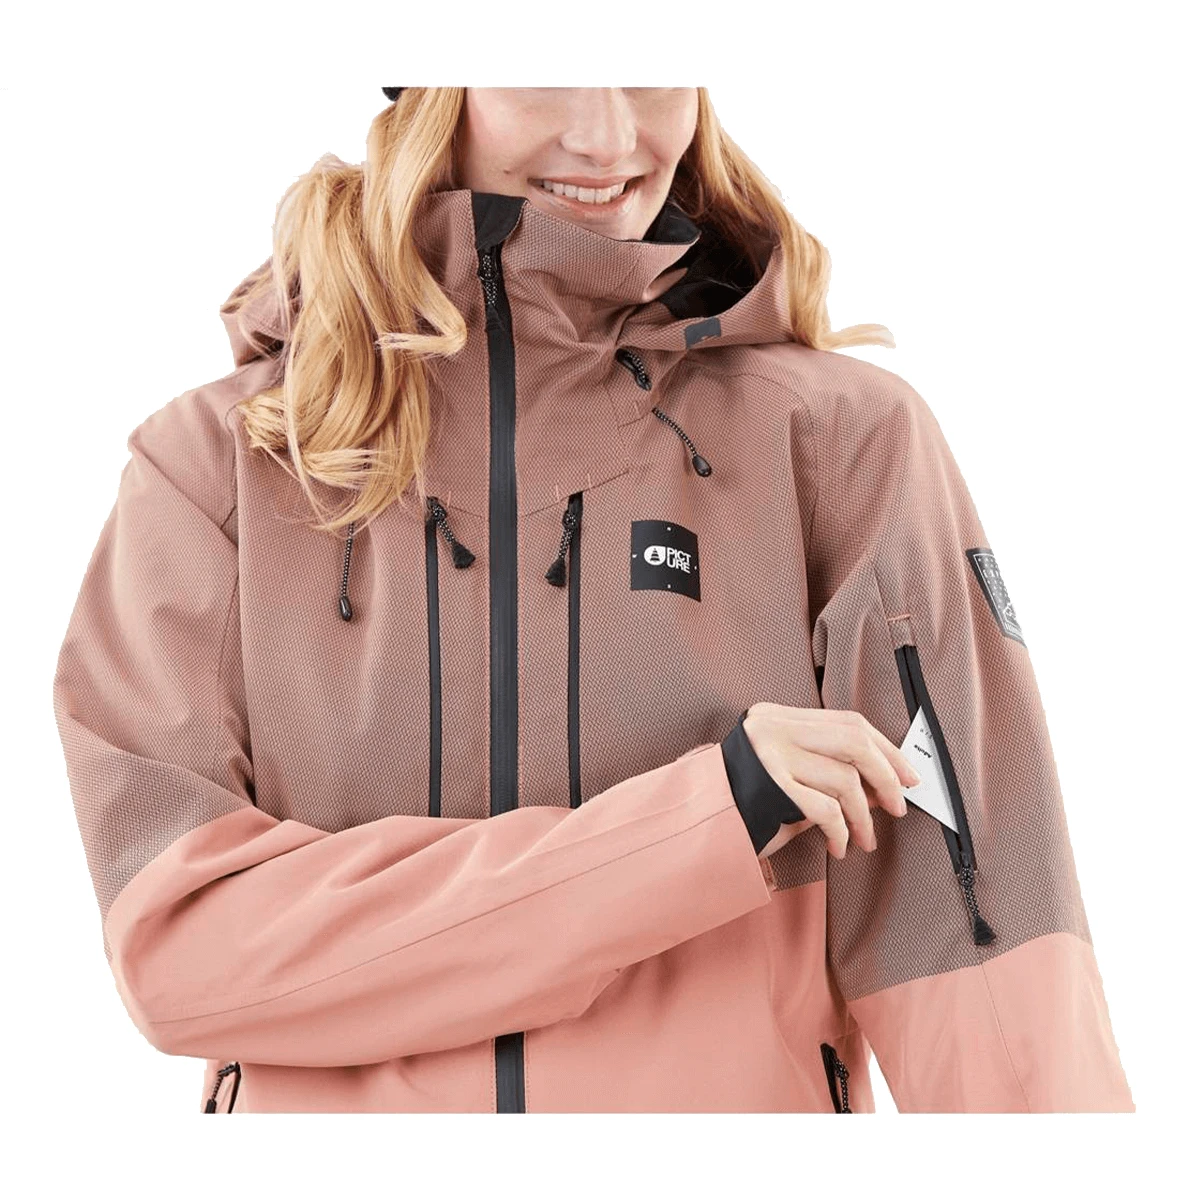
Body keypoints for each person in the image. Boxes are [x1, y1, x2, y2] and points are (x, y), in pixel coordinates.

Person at [51, 86, 1134, 1114]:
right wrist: (713, 819)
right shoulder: (218, 469)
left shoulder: (837, 445)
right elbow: (183, 957)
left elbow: (990, 976)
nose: (611, 137)